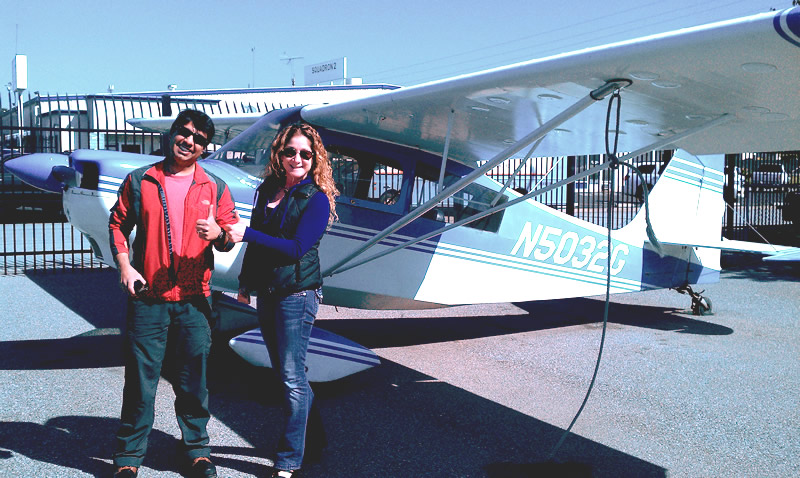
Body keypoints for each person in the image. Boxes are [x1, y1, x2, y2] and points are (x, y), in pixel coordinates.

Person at [109, 109, 237, 478]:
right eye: (184, 133)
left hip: (194, 301)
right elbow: (118, 224)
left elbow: (228, 235)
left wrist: (221, 235)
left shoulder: (215, 187)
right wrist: (124, 265)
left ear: (205, 147)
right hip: (148, 299)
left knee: (194, 383)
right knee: (140, 382)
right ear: (173, 134)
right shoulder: (140, 180)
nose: (189, 142)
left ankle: (197, 452)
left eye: (198, 139)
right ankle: (128, 460)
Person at [224, 122, 338, 478]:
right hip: (271, 292)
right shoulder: (269, 190)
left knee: (290, 377)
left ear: (314, 157)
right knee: (290, 375)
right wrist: (244, 282)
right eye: (291, 151)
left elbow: (296, 248)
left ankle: (289, 461)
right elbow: (257, 245)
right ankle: (315, 440)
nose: (297, 158)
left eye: (306, 153)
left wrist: (247, 232)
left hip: (298, 293)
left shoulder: (316, 198)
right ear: (280, 153)